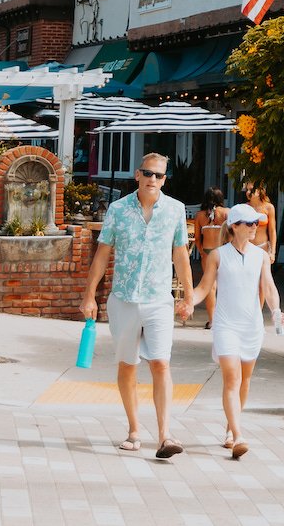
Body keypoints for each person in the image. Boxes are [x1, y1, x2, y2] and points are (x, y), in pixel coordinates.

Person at [80, 151, 194, 459]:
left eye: (159, 175)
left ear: (164, 179)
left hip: (159, 300)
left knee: (161, 363)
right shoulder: (118, 210)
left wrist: (189, 295)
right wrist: (89, 295)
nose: (153, 179)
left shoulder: (175, 210)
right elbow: (103, 253)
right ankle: (133, 430)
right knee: (128, 365)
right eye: (148, 173)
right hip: (124, 299)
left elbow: (181, 254)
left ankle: (165, 435)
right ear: (137, 175)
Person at [188, 202, 284, 460]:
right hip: (226, 325)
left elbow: (270, 287)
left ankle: (231, 427)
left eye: (257, 223)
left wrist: (275, 311)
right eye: (250, 223)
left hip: (252, 327)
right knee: (232, 379)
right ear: (234, 226)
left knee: (244, 381)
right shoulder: (218, 255)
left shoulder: (261, 256)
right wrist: (188, 302)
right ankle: (239, 435)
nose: (255, 227)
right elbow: (204, 287)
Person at [190, 187, 229, 329]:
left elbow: (197, 238)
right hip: (224, 252)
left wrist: (202, 252)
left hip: (207, 253)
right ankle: (226, 320)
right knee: (227, 286)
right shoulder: (226, 213)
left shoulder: (200, 215)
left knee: (210, 288)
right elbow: (231, 235)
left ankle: (212, 320)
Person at [245, 181, 277, 263]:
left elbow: (272, 231)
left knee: (263, 275)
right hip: (247, 247)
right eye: (247, 190)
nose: (248, 192)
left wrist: (273, 252)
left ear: (259, 191)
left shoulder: (269, 207)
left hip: (263, 247)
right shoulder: (245, 207)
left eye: (251, 190)